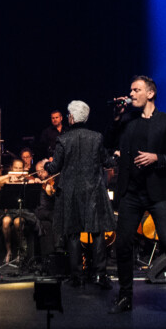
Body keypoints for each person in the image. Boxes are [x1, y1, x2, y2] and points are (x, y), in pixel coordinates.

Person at [108, 76, 166, 320]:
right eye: (131, 89)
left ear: (151, 93)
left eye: (137, 90)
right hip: (131, 193)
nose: (131, 93)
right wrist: (116, 117)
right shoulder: (127, 122)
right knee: (123, 244)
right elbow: (108, 141)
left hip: (157, 193)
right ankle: (125, 296)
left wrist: (158, 158)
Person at [44, 99, 114, 289]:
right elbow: (107, 162)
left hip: (71, 192)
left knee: (73, 233)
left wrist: (45, 165)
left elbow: (54, 167)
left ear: (72, 118)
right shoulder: (97, 137)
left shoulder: (64, 139)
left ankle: (77, 276)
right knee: (97, 231)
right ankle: (100, 274)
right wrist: (116, 157)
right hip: (93, 190)